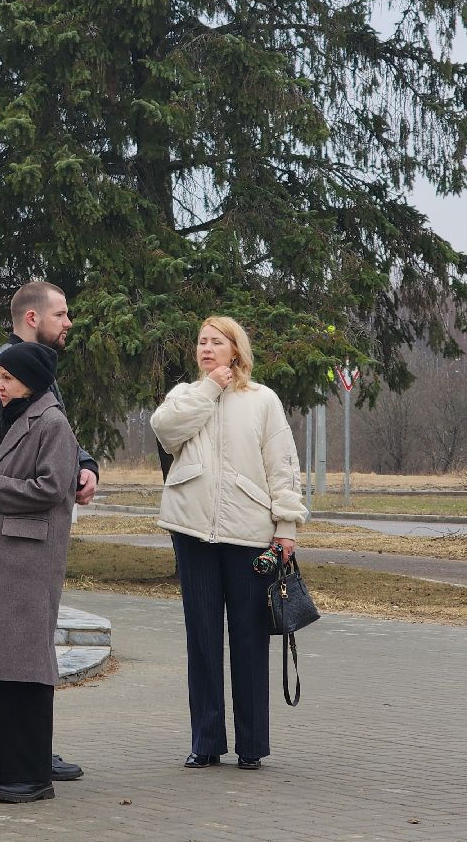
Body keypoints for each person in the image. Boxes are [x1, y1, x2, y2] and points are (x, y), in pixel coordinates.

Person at [150, 316, 306, 771]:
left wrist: (287, 529)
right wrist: (210, 389)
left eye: (217, 342)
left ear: (236, 350)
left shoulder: (263, 401)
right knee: (201, 640)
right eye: (201, 342)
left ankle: (252, 745)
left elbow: (283, 467)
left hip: (249, 537)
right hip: (193, 534)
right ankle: (206, 742)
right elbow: (166, 430)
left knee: (250, 640)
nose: (207, 348)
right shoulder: (186, 395)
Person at [0, 279, 93, 782]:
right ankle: (21, 758)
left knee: (26, 648)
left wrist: (81, 466)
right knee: (15, 649)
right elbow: (6, 447)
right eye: (61, 314)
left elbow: (56, 434)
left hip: (28, 536)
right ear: (32, 319)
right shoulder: (10, 372)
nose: (69, 323)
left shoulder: (39, 377)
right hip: (13, 538)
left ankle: (29, 755)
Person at [0, 341, 79, 804]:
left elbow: (50, 487)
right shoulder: (9, 422)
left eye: (6, 377)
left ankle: (29, 774)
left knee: (23, 666)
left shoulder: (53, 423)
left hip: (28, 562)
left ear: (29, 379)